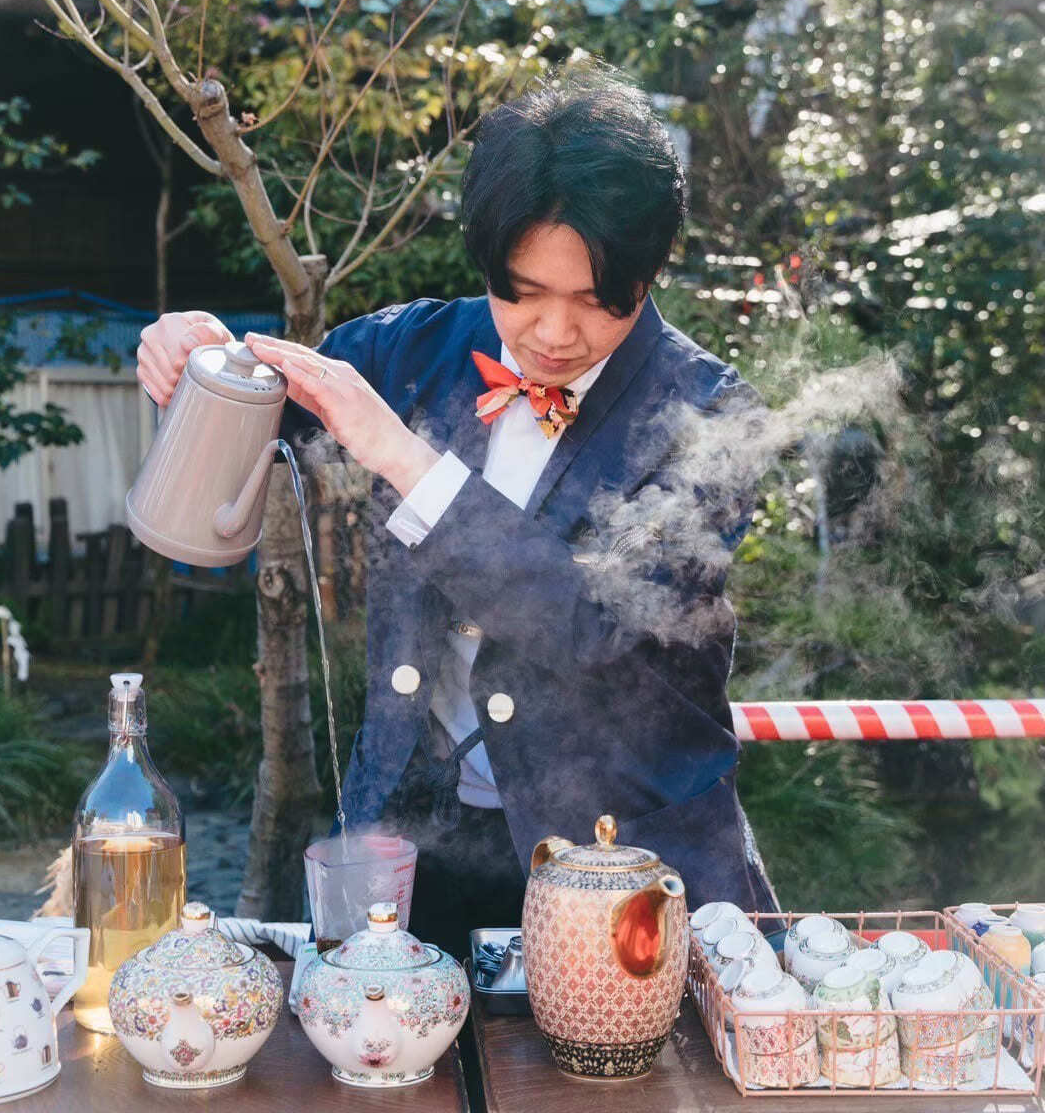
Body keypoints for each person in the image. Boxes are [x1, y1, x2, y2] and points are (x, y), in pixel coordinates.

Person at [136, 68, 778, 956]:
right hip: (412, 846)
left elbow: (595, 623)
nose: (554, 332)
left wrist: (403, 457)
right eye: (523, 292)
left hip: (627, 860)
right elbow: (255, 416)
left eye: (597, 301)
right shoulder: (407, 351)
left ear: (651, 270)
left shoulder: (712, 416)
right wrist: (194, 354)